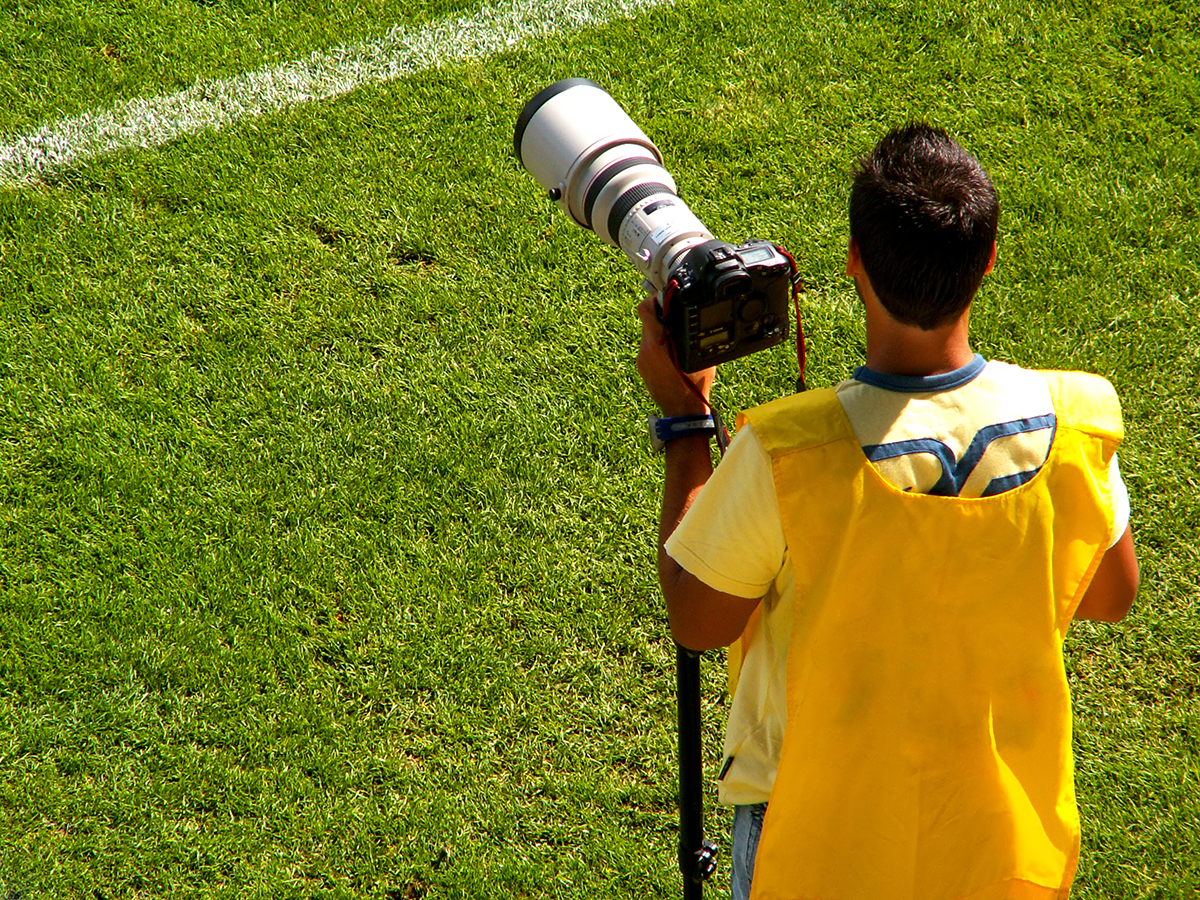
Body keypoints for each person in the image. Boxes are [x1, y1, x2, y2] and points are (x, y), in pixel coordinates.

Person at [635, 124, 1139, 900]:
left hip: (815, 845)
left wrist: (684, 426)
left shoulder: (787, 452)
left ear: (854, 262)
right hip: (1000, 840)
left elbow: (697, 620)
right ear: (988, 261)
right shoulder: (1078, 419)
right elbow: (1111, 594)